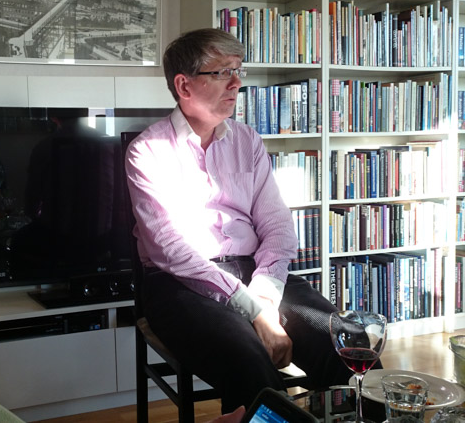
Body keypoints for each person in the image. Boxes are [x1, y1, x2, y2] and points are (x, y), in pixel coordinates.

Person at [125, 28, 360, 413]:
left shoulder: (247, 140)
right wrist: (253, 311)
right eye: (222, 72)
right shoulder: (147, 151)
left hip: (256, 272)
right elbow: (171, 251)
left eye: (238, 70)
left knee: (348, 343)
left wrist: (263, 300)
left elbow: (278, 228)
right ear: (184, 85)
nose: (236, 83)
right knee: (248, 362)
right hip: (179, 284)